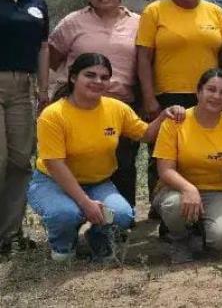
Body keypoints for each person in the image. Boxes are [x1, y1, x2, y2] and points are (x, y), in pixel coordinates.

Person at [27, 53, 184, 262]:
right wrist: (85, 203)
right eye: (90, 75)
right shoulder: (53, 115)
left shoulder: (116, 108)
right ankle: (63, 245)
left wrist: (164, 115)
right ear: (73, 78)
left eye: (104, 77)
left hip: (97, 183)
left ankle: (98, 239)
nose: (98, 82)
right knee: (65, 213)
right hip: (54, 182)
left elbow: (145, 134)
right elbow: (55, 164)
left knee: (120, 215)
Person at [136, 0, 222, 199]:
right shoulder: (155, 12)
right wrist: (149, 98)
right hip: (168, 94)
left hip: (209, 94)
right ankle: (162, 208)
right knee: (166, 152)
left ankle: (207, 201)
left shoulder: (215, 12)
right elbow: (143, 58)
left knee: (203, 150)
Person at [48, 0, 141, 209]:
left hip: (121, 106)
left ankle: (120, 223)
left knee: (124, 163)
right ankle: (74, 215)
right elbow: (53, 57)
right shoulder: (72, 22)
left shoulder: (138, 22)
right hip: (77, 106)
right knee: (76, 162)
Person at [153, 69, 222, 263]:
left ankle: (200, 235)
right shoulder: (175, 123)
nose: (216, 96)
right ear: (198, 92)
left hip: (219, 192)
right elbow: (165, 170)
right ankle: (180, 240)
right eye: (211, 89)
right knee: (174, 205)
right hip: (177, 190)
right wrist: (188, 188)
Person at [0, 0, 50, 256]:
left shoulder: (36, 2)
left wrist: (44, 90)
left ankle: (9, 234)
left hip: (24, 87)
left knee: (20, 161)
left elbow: (43, 47)